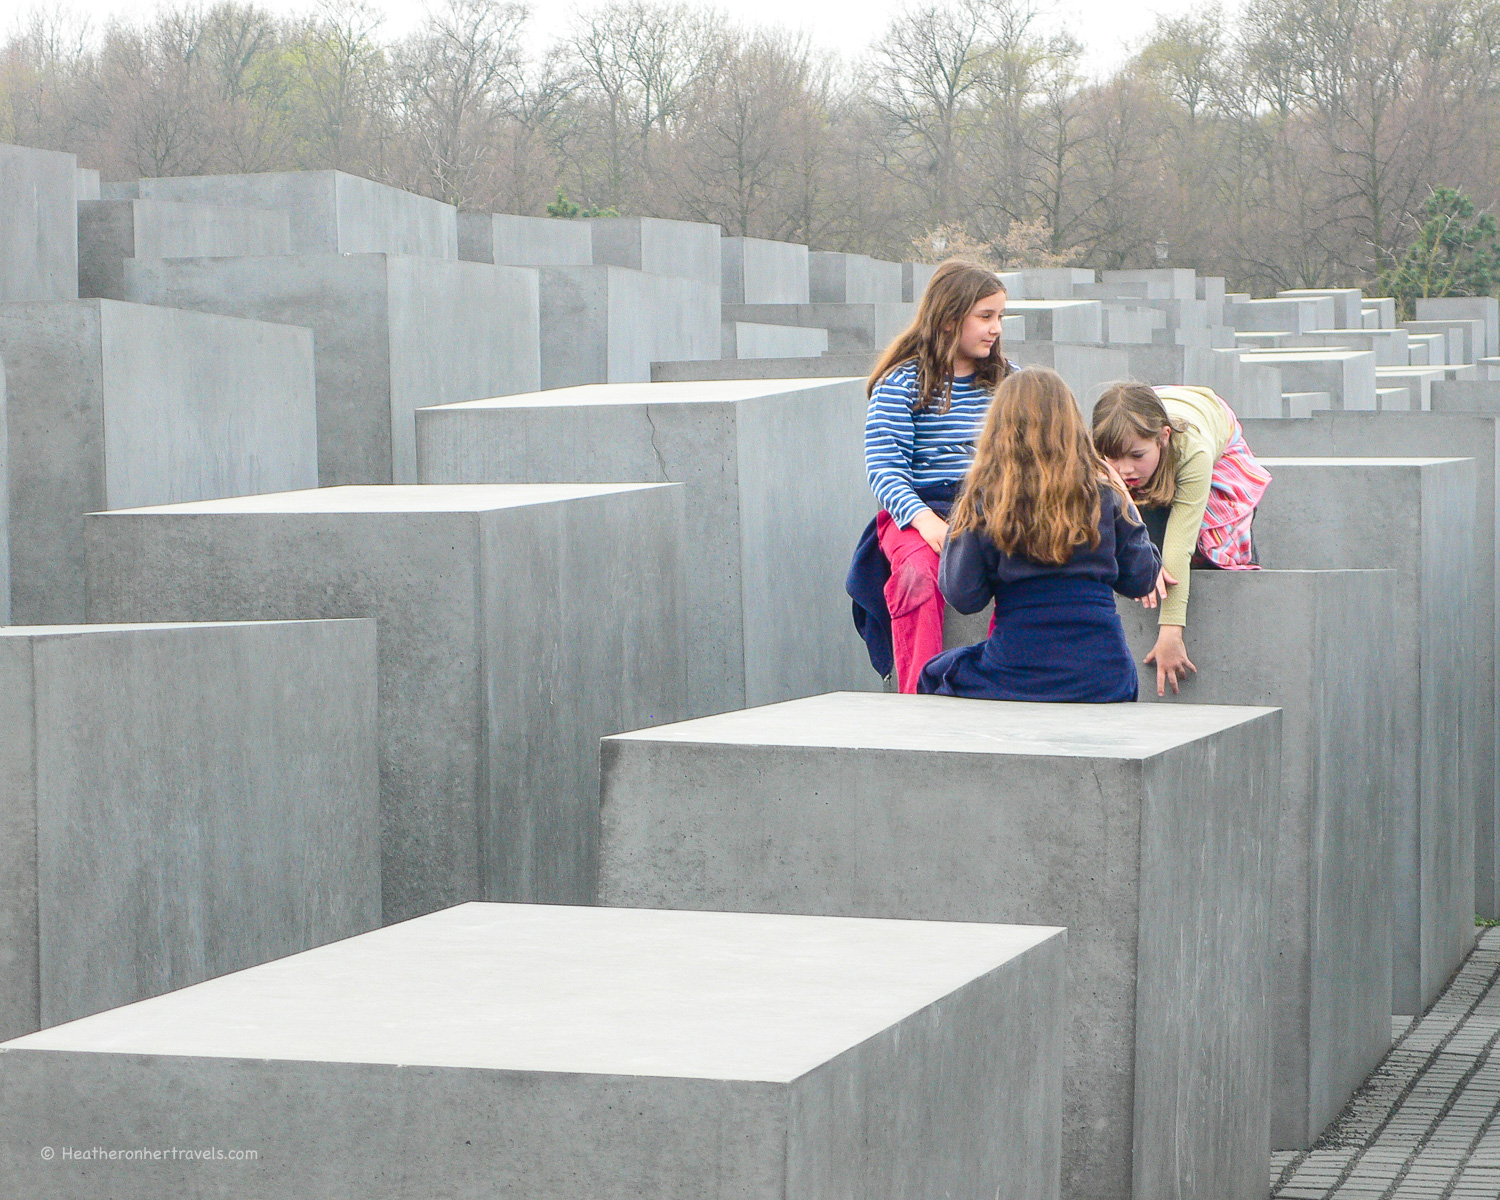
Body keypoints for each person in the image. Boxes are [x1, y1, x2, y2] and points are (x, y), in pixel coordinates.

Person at [918, 367, 1161, 702]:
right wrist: (1123, 497)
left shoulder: (987, 501)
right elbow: (1142, 578)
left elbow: (963, 595)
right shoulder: (1104, 496)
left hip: (1018, 671)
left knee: (935, 673)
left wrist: (965, 513)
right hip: (1103, 675)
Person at [845, 259, 1016, 692]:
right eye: (985, 317)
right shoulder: (900, 382)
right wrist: (925, 522)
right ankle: (920, 693)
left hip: (991, 505)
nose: (995, 328)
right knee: (918, 575)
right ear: (947, 320)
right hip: (920, 509)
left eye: (999, 316)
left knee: (1025, 565)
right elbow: (885, 470)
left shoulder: (1009, 382)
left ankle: (1008, 675)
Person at [1090, 382, 1272, 696]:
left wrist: (1171, 631)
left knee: (1214, 537)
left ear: (1163, 437)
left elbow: (1179, 546)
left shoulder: (1193, 451)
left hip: (1211, 425)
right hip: (1161, 407)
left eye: (1137, 455)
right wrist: (1143, 563)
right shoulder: (1101, 457)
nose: (1126, 468)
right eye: (1114, 458)